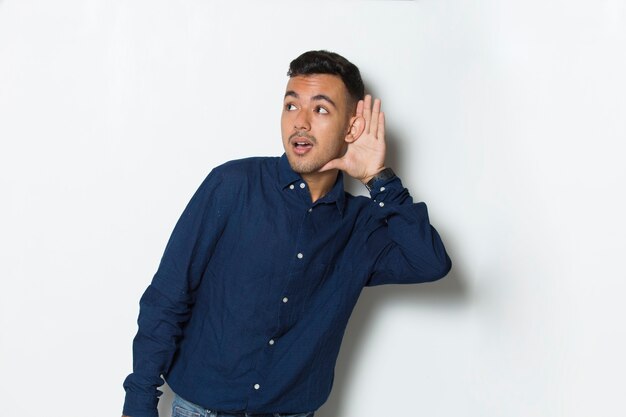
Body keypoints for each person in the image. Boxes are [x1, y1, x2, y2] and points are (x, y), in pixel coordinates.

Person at [122, 50, 451, 417]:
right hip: (201, 409)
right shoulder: (232, 186)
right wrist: (139, 400)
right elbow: (168, 295)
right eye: (291, 106)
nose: (301, 123)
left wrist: (379, 179)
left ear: (352, 127)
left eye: (321, 109)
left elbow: (431, 262)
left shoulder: (361, 226)